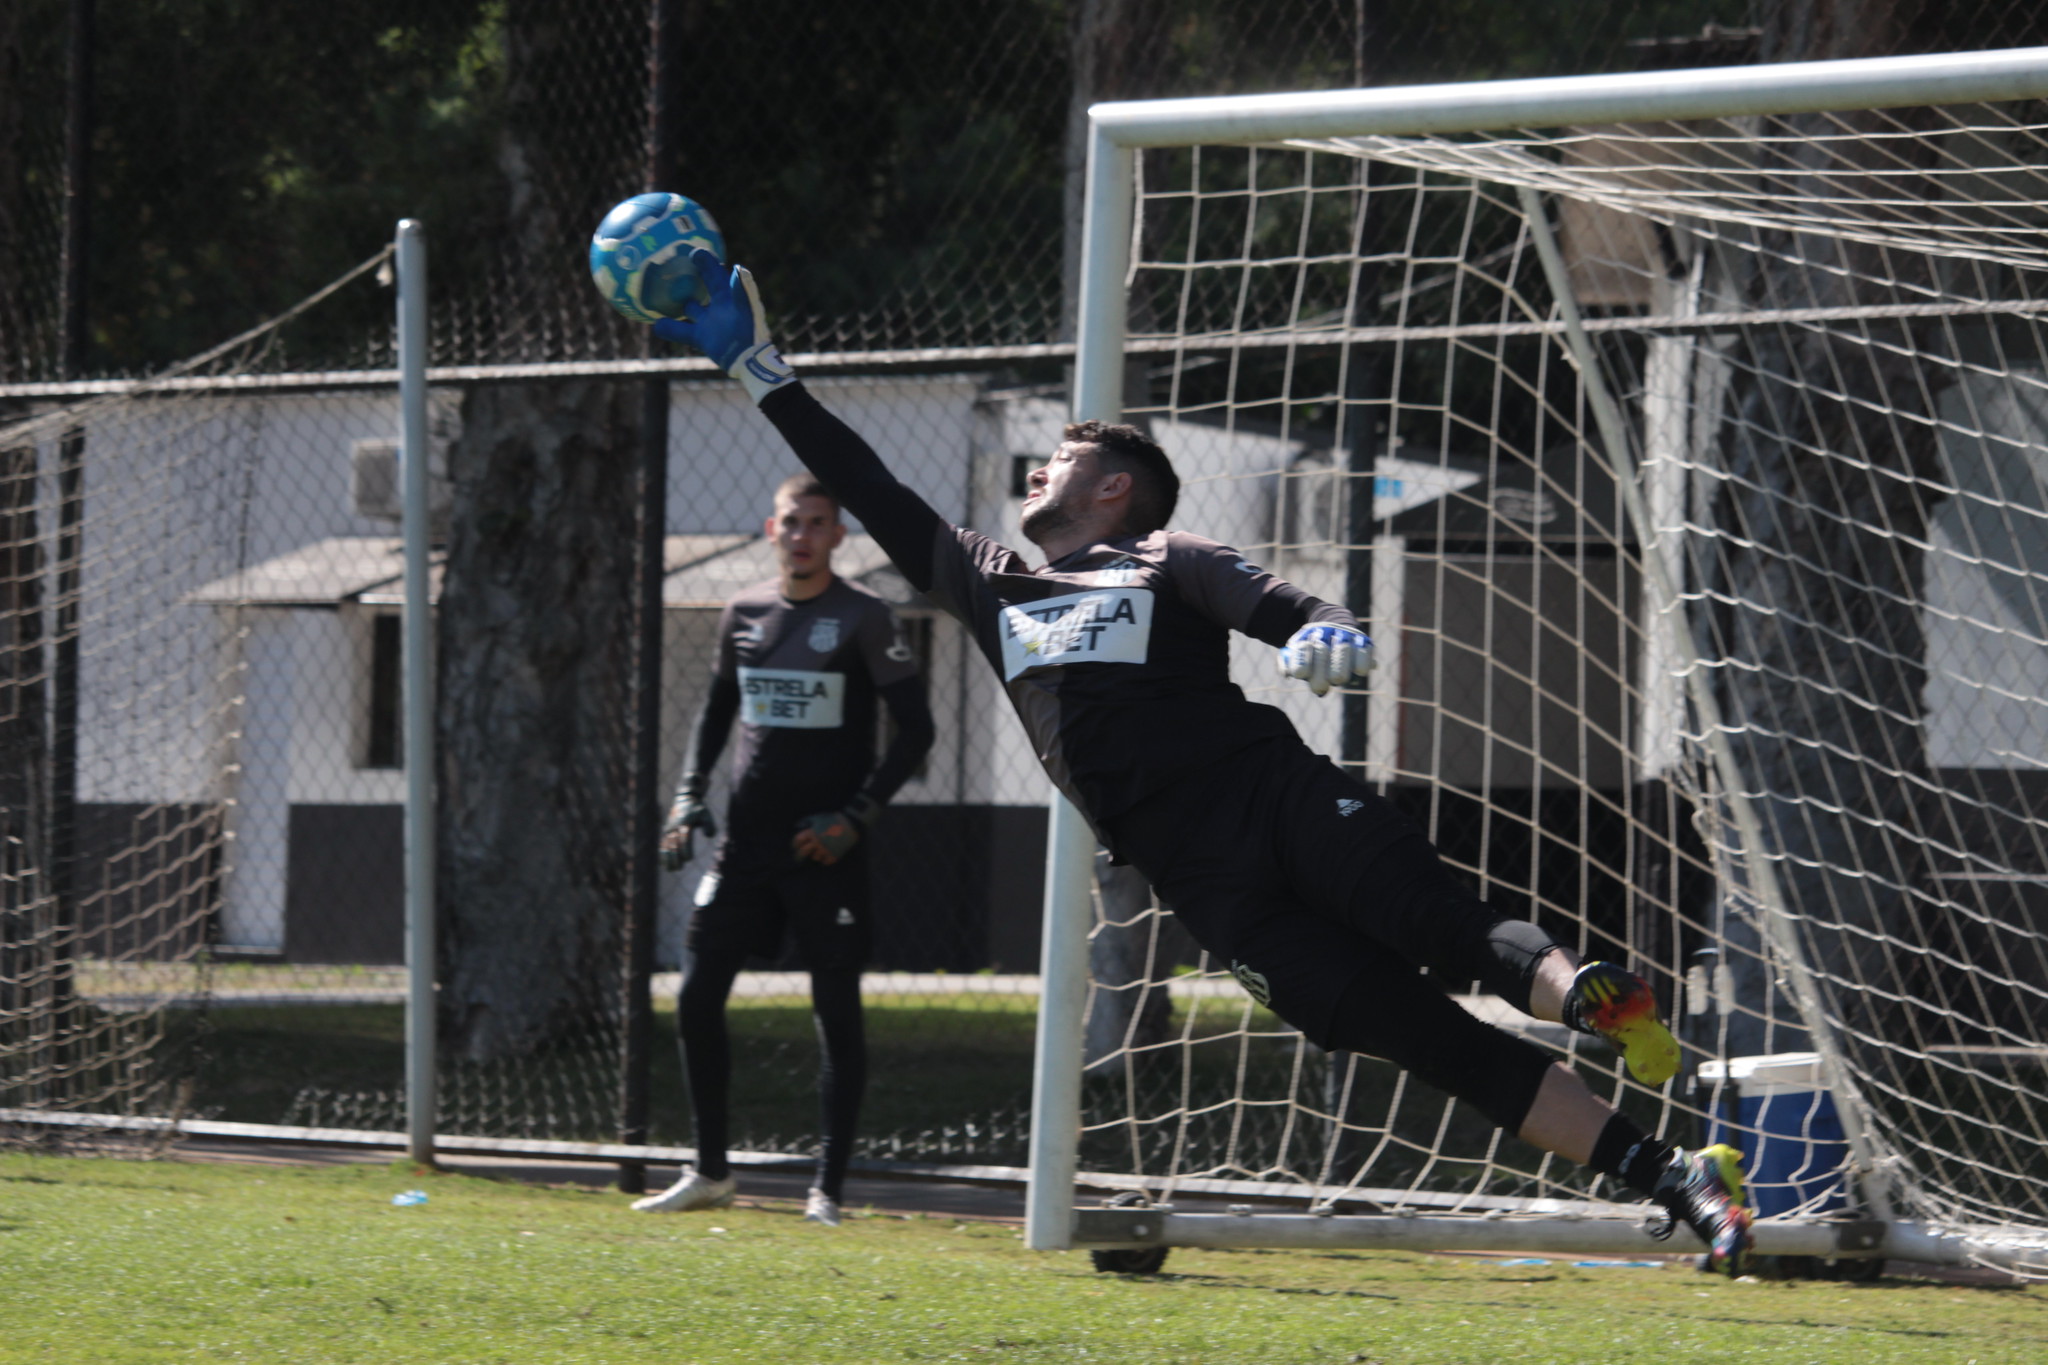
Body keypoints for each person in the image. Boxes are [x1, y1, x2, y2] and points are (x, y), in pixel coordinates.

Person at [651, 249, 1755, 1273]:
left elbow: (1270, 603)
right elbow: (873, 486)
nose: (1037, 470)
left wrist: (1323, 632)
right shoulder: (992, 584)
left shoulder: (1158, 556)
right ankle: (1676, 1176)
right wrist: (760, 370)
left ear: (1113, 487)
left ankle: (1594, 1002)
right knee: (1429, 1042)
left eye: (1062, 461)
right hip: (1209, 889)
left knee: (1437, 923)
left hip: (1274, 801)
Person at [631, 473, 936, 1228]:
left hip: (824, 851)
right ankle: (709, 1171)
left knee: (835, 1013)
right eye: (791, 522)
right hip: (744, 849)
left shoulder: (866, 618)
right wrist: (687, 794)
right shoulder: (744, 613)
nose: (802, 535)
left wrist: (855, 816)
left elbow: (919, 731)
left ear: (838, 536)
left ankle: (826, 1190)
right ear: (772, 530)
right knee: (697, 998)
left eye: (818, 523)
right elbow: (716, 712)